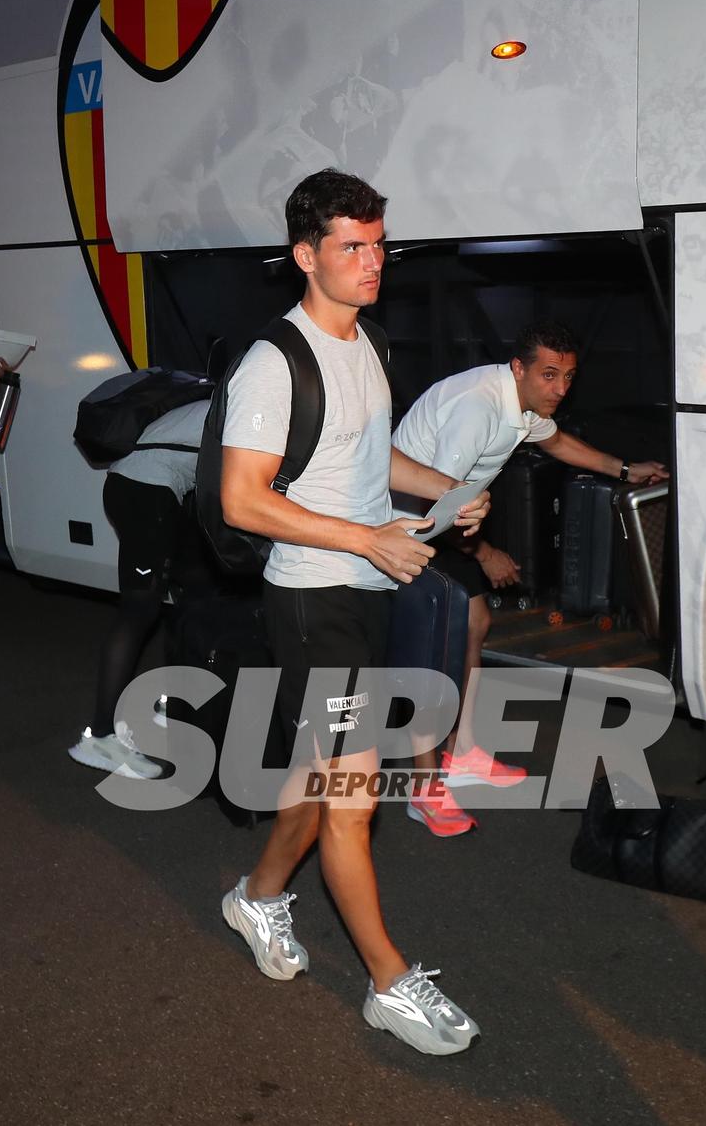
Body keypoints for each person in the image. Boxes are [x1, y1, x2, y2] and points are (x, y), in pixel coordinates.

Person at [215, 168, 489, 1056]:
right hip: (312, 598)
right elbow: (243, 500)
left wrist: (445, 489)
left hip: (363, 594)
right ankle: (387, 980)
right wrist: (367, 539)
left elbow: (371, 466)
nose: (373, 263)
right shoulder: (273, 361)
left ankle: (257, 897)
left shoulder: (364, 343)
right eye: (352, 247)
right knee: (352, 798)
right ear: (306, 255)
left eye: (379, 245)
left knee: (319, 776)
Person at [388, 322, 668, 835]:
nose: (560, 388)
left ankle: (464, 751)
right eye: (548, 375)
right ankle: (423, 793)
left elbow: (560, 444)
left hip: (444, 529)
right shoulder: (478, 407)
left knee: (474, 626)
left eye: (568, 377)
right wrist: (487, 552)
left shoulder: (526, 407)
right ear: (518, 369)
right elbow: (438, 503)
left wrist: (626, 470)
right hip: (403, 530)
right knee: (432, 651)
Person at [68, 397, 212, 778]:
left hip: (152, 490)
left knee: (198, 591)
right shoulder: (249, 405)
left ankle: (175, 705)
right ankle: (98, 738)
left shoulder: (231, 397)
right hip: (145, 491)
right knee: (139, 611)